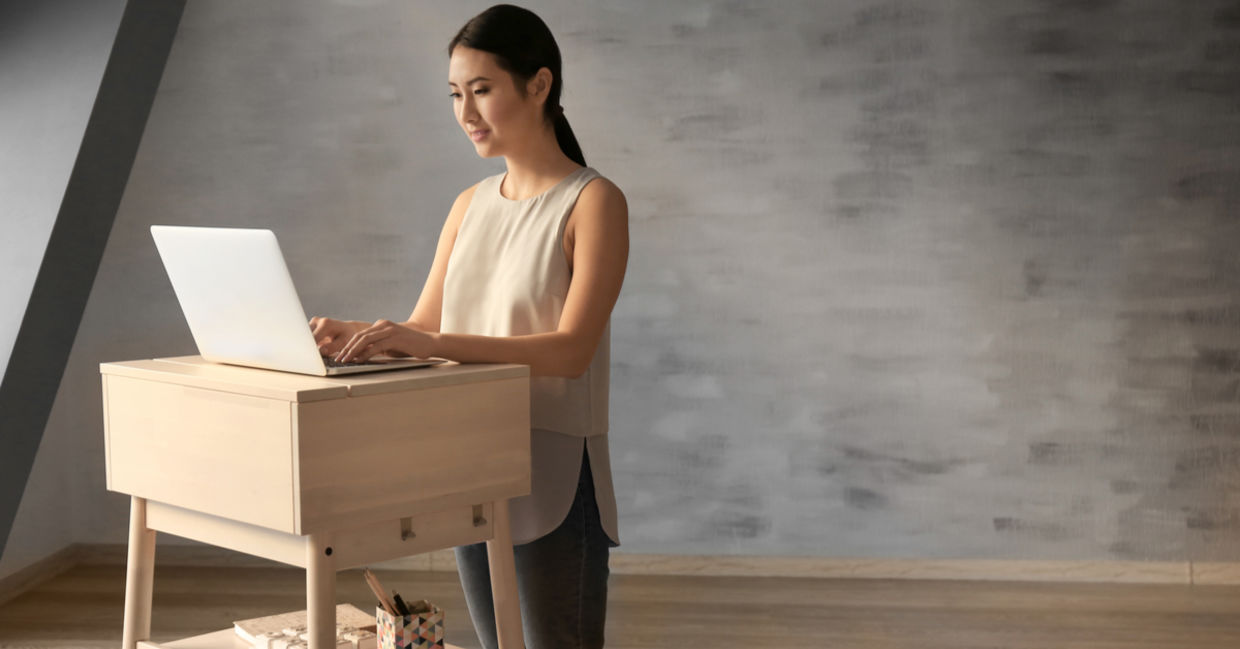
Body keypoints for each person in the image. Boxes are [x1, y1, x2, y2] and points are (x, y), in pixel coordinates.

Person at [309, 5, 627, 648]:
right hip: (470, 456)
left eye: (481, 89)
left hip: (553, 466)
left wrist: (429, 342)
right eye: (456, 94)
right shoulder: (469, 205)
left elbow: (571, 351)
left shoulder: (593, 202)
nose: (466, 112)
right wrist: (364, 337)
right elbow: (427, 326)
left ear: (539, 85)